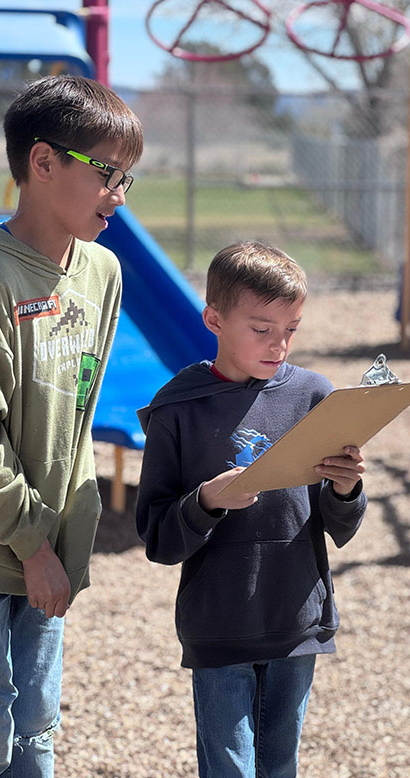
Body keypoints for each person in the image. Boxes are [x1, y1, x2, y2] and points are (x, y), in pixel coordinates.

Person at [0, 74, 143, 776]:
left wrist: (62, 534)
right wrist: (33, 546)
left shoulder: (102, 270)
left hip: (45, 538)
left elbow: (77, 414)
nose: (120, 196)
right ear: (43, 163)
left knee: (37, 728)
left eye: (129, 179)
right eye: (108, 174)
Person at [136, 241, 367, 778]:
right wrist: (207, 502)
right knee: (229, 769)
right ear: (214, 319)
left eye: (291, 329)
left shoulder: (315, 396)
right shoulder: (178, 408)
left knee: (279, 765)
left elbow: (343, 528)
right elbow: (159, 539)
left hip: (297, 618)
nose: (278, 344)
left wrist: (346, 490)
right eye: (261, 328)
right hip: (218, 624)